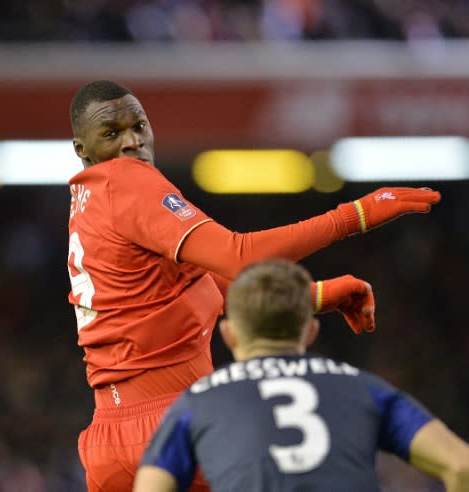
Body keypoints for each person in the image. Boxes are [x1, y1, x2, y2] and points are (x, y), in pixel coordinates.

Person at [66, 79, 441, 491]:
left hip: (107, 440)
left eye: (139, 125)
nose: (132, 142)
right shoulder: (128, 182)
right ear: (81, 148)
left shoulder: (90, 199)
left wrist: (314, 296)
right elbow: (239, 255)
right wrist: (355, 215)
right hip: (173, 425)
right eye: (111, 133)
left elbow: (207, 283)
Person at [134, 259, 469, 491]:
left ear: (229, 334)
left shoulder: (198, 402)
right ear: (310, 331)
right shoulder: (363, 388)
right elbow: (461, 465)